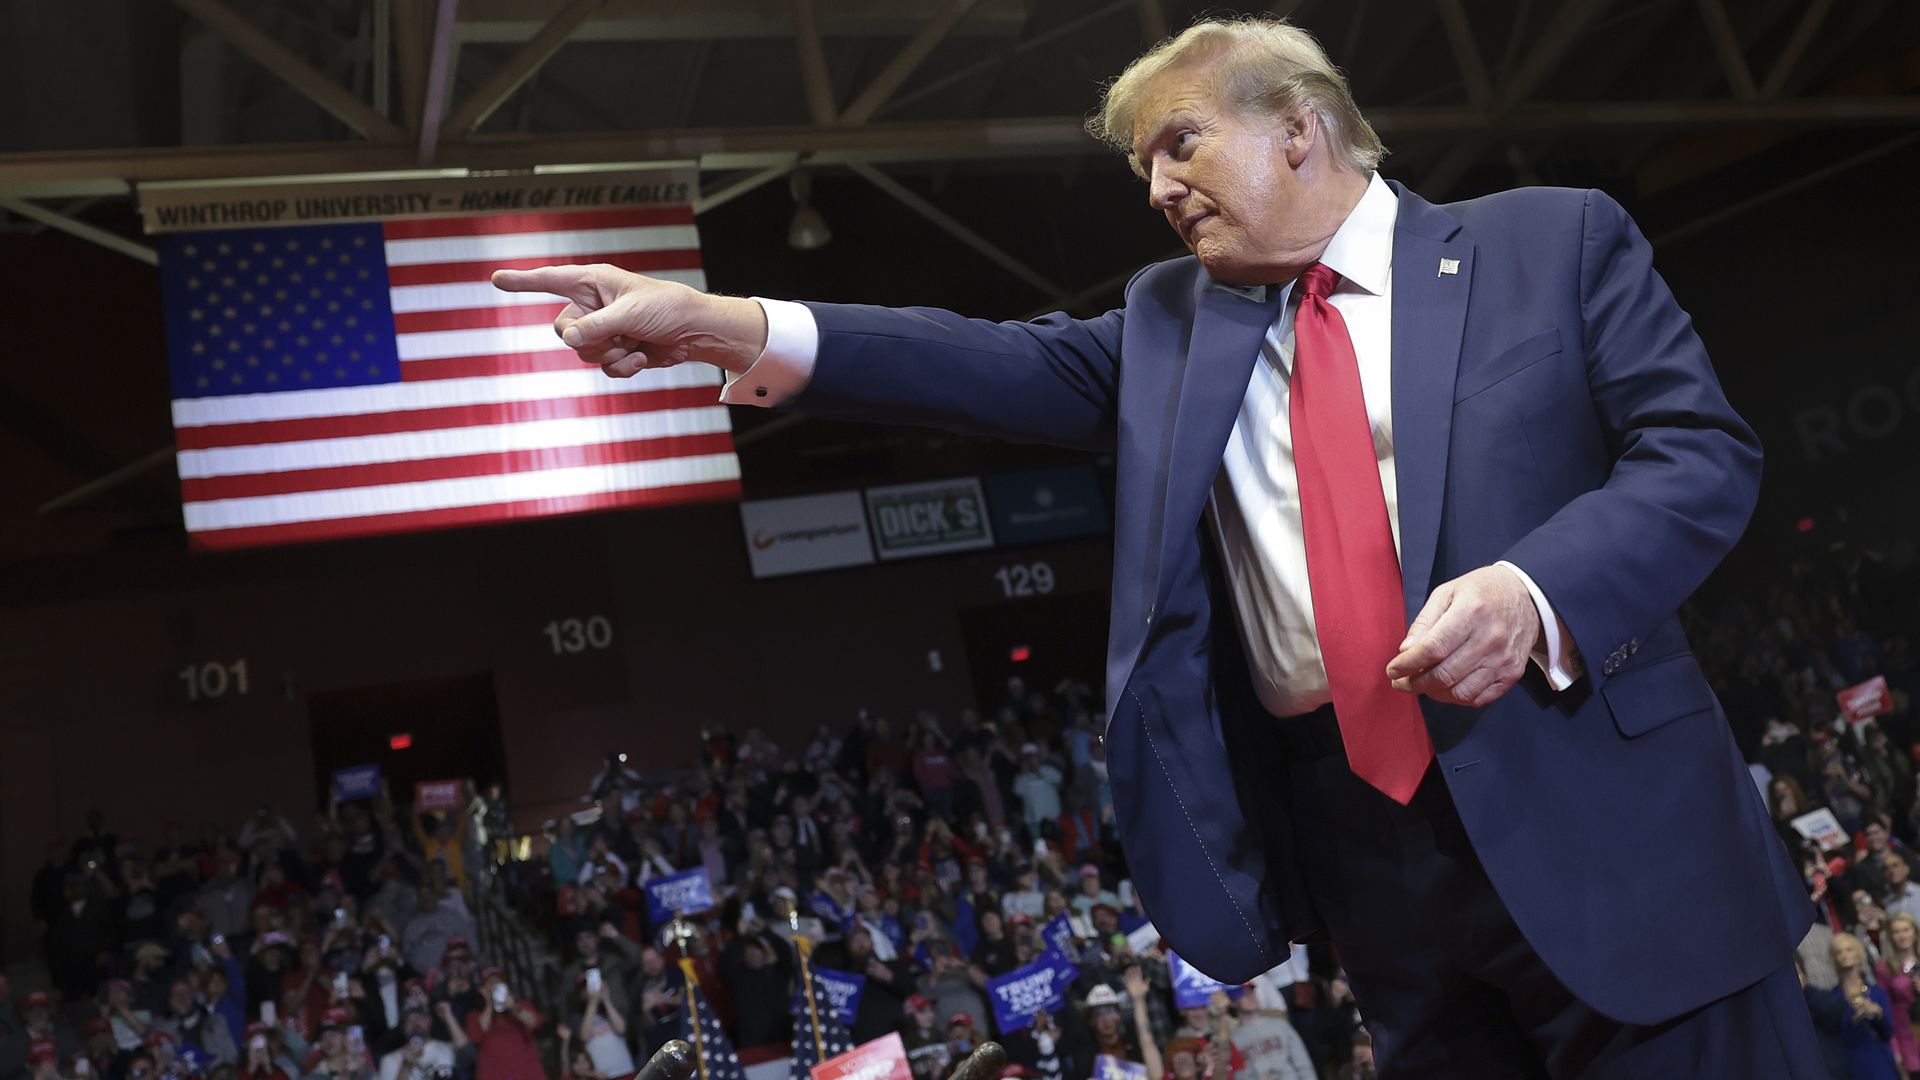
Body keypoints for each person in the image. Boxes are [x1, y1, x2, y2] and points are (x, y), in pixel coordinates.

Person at [494, 12, 1821, 1074]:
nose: (1157, 184)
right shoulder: (1174, 329)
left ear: (1301, 127)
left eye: (1180, 143)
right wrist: (724, 322)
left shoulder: (1553, 241)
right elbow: (971, 363)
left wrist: (1538, 591)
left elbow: (1702, 458)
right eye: (1141, 165)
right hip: (1361, 847)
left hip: (1604, 807)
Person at [1829, 934, 1897, 1080]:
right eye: (1838, 952)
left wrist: (1878, 1014)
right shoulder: (1833, 997)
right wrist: (1853, 1020)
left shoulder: (1876, 991)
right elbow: (1835, 1037)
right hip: (1852, 1065)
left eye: (1849, 950)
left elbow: (1888, 1032)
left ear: (1859, 954)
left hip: (1880, 1061)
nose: (1844, 955)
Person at [1871, 913, 1920, 1075]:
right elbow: (1886, 1009)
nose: (1902, 936)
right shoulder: (1883, 968)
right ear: (1890, 936)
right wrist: (1895, 1048)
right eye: (1897, 932)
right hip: (1906, 1036)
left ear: (1914, 932)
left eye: (1906, 930)